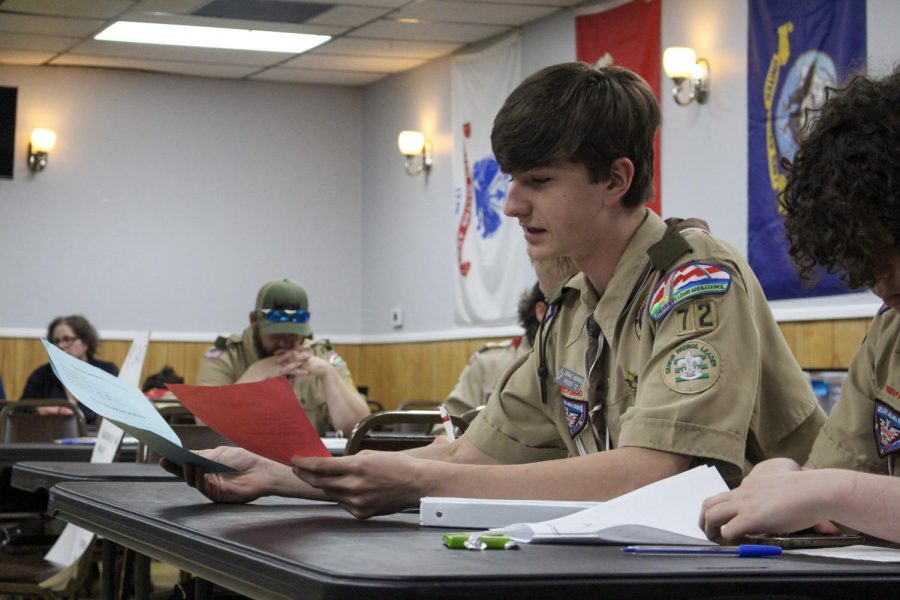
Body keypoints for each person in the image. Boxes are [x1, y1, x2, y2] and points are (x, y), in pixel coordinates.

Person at [165, 63, 824, 519]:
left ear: (615, 179)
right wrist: (276, 475)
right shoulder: (572, 310)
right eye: (511, 180)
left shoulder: (695, 280)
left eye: (536, 180)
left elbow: (654, 473)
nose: (511, 205)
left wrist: (415, 481)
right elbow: (469, 451)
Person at [700, 69, 900, 544]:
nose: (882, 286)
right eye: (862, 260)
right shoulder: (890, 335)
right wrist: (791, 478)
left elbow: (834, 490)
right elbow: (827, 494)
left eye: (891, 250)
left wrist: (830, 489)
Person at [196, 278, 368, 437]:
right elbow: (207, 425)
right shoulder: (225, 356)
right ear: (254, 320)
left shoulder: (322, 356)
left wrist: (328, 374)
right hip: (241, 463)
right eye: (276, 334)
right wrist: (256, 373)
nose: (285, 342)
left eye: (294, 334)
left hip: (312, 464)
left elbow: (357, 428)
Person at [444, 257, 577, 416]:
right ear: (541, 311)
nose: (577, 319)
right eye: (570, 308)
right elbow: (448, 425)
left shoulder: (576, 361)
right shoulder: (488, 362)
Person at [21, 315, 119, 424]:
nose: (61, 345)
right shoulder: (42, 375)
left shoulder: (107, 372)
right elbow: (19, 411)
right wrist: (39, 410)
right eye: (56, 341)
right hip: (53, 437)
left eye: (67, 339)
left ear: (85, 342)